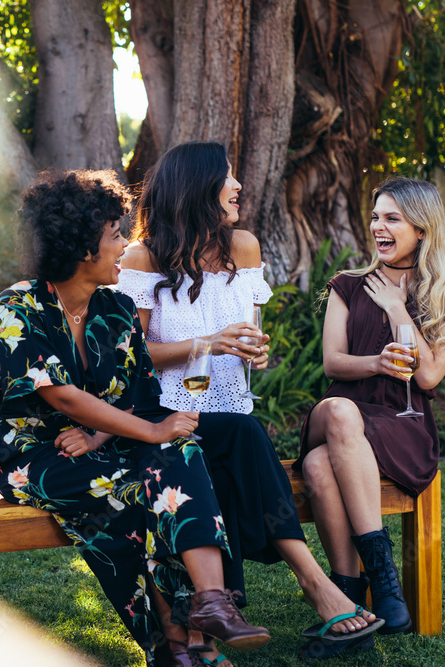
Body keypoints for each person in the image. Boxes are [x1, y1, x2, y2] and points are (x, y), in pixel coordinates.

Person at [0, 170, 271, 667]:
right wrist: (150, 431)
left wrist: (102, 437)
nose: (126, 243)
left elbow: (134, 393)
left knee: (179, 449)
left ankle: (211, 602)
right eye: (115, 234)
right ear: (81, 248)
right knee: (131, 497)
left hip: (102, 442)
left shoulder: (116, 308)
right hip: (35, 456)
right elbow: (63, 397)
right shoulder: (21, 306)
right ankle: (171, 643)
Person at [117, 141, 380, 659]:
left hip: (227, 411)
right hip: (160, 416)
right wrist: (208, 342)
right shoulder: (141, 258)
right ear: (196, 187)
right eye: (227, 177)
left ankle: (229, 610)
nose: (238, 186)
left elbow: (252, 336)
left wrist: (254, 350)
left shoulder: (245, 248)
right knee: (240, 440)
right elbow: (131, 361)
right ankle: (316, 585)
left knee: (239, 437)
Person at [294, 177, 445, 635]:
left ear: (421, 227)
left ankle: (349, 597)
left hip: (402, 423)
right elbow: (332, 361)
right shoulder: (349, 285)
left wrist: (398, 309)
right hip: (344, 407)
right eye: (376, 216)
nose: (379, 225)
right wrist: (376, 362)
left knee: (318, 466)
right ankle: (386, 582)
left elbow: (430, 375)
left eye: (392, 218)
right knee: (339, 411)